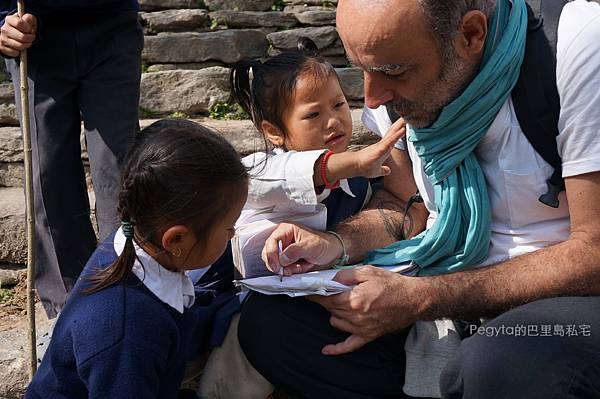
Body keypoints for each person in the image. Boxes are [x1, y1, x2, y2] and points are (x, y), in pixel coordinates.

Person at [237, 0, 600, 398]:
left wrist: (424, 299)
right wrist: (337, 244)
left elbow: (593, 252)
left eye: (392, 70)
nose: (372, 98)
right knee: (273, 324)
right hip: (442, 292)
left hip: (565, 304)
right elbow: (404, 205)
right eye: (361, 68)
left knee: (508, 361)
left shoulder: (576, 46)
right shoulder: (399, 95)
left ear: (471, 35)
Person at [195, 38, 405, 399]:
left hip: (320, 310)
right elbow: (303, 172)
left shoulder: (363, 182)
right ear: (273, 132)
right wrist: (355, 161)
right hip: (251, 310)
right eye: (313, 114)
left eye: (339, 104)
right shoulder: (259, 173)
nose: (334, 120)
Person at [25, 119, 249, 398]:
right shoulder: (126, 331)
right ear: (176, 239)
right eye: (229, 227)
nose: (233, 234)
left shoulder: (131, 241)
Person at [0, 0, 142, 318]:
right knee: (48, 177)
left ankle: (126, 300)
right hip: (31, 34)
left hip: (111, 24)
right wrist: (0, 25)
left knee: (119, 173)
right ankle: (69, 315)